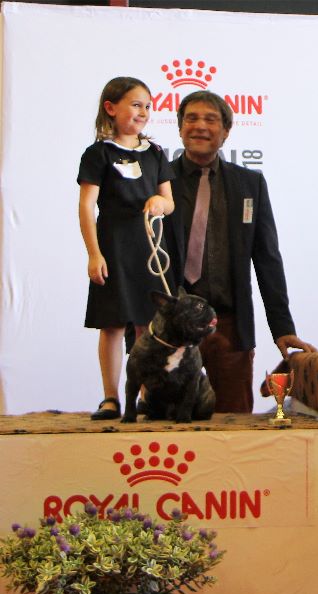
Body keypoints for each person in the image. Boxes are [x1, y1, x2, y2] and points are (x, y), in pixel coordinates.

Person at [166, 90, 316, 413]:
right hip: (171, 328)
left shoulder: (250, 184)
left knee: (233, 431)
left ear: (226, 132)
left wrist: (283, 328)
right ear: (179, 129)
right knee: (167, 428)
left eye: (211, 119)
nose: (200, 127)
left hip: (229, 326)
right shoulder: (158, 181)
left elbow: (267, 260)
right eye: (191, 118)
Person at [79, 76, 175, 421]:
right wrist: (94, 253)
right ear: (111, 108)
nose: (144, 112)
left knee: (146, 325)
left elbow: (169, 201)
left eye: (148, 106)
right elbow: (87, 205)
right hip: (113, 246)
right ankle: (110, 397)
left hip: (149, 250)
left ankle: (146, 395)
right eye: (136, 104)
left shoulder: (155, 153)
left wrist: (159, 204)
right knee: (113, 323)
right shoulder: (98, 154)